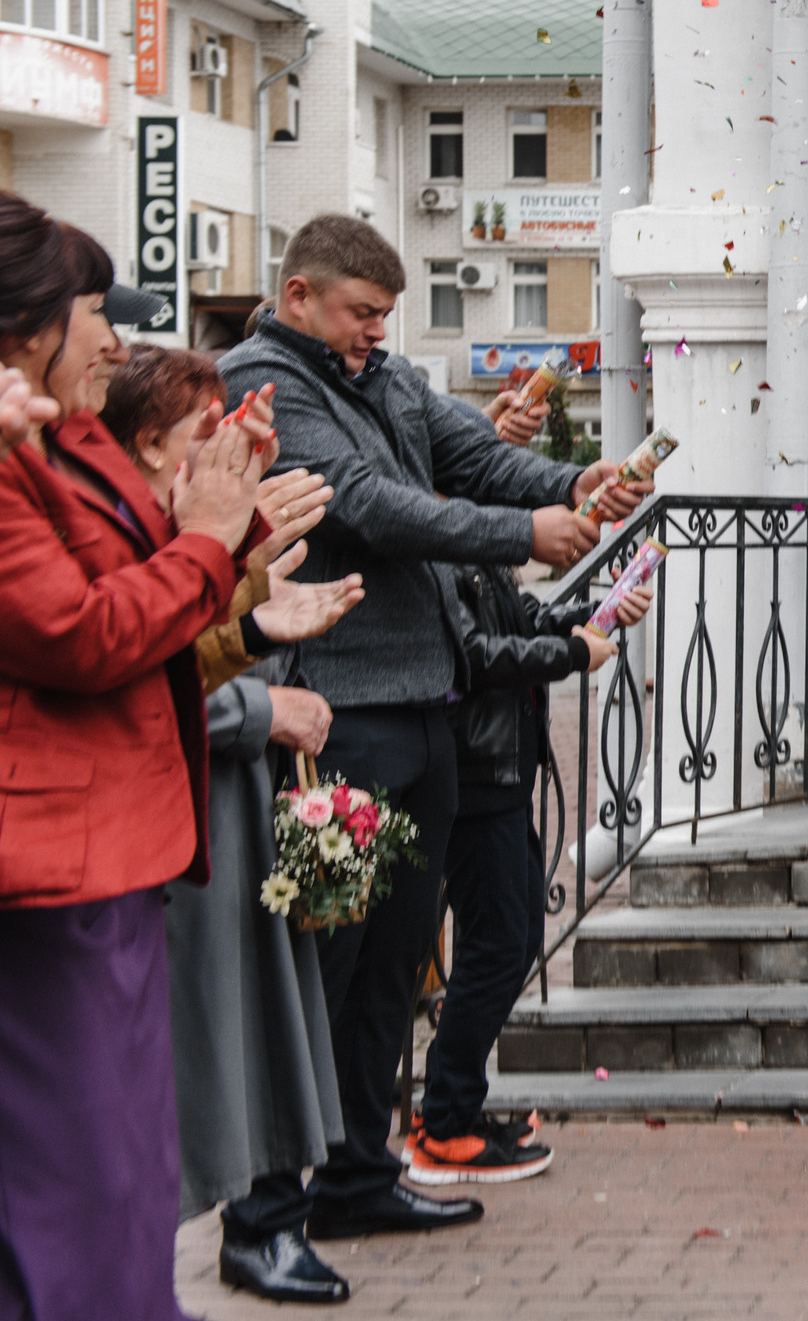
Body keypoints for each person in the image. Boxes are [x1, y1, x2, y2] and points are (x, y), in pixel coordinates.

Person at [217, 215, 652, 1244]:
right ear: (300, 301)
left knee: (395, 965)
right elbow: (368, 507)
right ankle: (270, 1207)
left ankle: (359, 1174)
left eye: (384, 315)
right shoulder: (260, 383)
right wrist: (520, 531)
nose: (377, 330)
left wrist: (571, 484)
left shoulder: (391, 378)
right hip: (332, 716)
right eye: (362, 313)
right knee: (319, 971)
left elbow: (468, 454)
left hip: (423, 709)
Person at [0, 198, 270, 1321]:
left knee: (124, 1172)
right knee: (83, 1178)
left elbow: (146, 577)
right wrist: (210, 539)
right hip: (53, 860)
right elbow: (79, 633)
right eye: (93, 314)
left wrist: (228, 513)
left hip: (106, 851)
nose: (115, 341)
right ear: (26, 330)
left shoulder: (58, 445)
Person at [102, 347, 368, 1306]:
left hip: (232, 803)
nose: (224, 458)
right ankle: (239, 1229)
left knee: (264, 1026)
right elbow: (131, 670)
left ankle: (264, 1221)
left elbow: (201, 642)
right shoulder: (120, 532)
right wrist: (263, 699)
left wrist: (258, 607)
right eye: (204, 439)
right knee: (210, 1042)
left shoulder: (176, 526)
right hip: (182, 819)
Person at [408, 546, 649, 1185]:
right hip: (476, 774)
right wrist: (572, 654)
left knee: (512, 946)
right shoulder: (443, 550)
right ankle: (445, 1124)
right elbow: (477, 656)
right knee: (497, 946)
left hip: (500, 772)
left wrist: (597, 613)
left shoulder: (473, 548)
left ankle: (452, 1105)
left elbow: (518, 617)